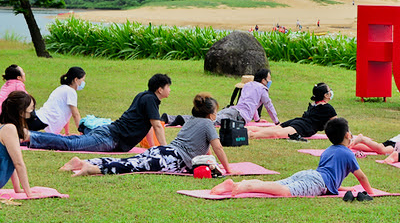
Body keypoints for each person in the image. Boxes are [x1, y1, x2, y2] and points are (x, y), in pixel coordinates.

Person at [62, 93, 234, 177]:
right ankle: (92, 169)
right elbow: (217, 147)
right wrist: (228, 169)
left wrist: (211, 162)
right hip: (172, 159)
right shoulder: (208, 124)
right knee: (133, 166)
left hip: (163, 151)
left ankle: (84, 162)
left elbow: (206, 151)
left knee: (129, 161)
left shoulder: (191, 120)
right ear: (211, 114)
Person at [211, 117, 374, 197]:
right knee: (284, 191)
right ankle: (246, 187)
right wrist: (371, 193)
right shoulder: (347, 153)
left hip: (308, 174)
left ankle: (236, 184)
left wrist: (343, 188)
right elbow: (362, 177)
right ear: (347, 135)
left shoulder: (328, 150)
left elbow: (328, 177)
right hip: (317, 180)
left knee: (275, 184)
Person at [25, 74, 171, 153]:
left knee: (72, 141)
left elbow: (148, 126)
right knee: (71, 144)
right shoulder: (150, 99)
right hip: (110, 137)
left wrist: (152, 148)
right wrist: (165, 149)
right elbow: (157, 126)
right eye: (168, 87)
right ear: (159, 89)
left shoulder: (144, 96)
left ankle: (30, 136)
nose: (170, 90)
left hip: (109, 134)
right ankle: (30, 136)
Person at [164, 69, 279, 127]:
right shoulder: (263, 90)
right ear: (263, 80)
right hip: (239, 116)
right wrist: (277, 122)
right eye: (269, 79)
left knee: (208, 116)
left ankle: (169, 118)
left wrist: (257, 120)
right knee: (211, 121)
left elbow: (251, 104)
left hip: (233, 109)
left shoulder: (248, 85)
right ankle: (182, 120)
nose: (270, 82)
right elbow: (268, 105)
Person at [248, 82, 336, 142]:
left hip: (298, 121)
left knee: (273, 129)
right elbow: (338, 125)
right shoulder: (328, 108)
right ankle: (252, 135)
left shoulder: (314, 104)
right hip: (304, 127)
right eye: (329, 91)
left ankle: (246, 130)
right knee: (277, 133)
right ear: (326, 95)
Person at [0, 92, 39, 197]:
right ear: (21, 112)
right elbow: (18, 163)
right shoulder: (9, 129)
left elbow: (10, 158)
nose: (32, 113)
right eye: (31, 109)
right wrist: (29, 193)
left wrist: (17, 188)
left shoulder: (5, 127)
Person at [35, 66, 86, 135]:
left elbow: (67, 113)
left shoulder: (62, 88)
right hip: (43, 122)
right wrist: (82, 132)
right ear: (76, 80)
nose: (83, 83)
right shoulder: (71, 92)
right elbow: (75, 114)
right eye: (82, 80)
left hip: (40, 119)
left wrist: (67, 132)